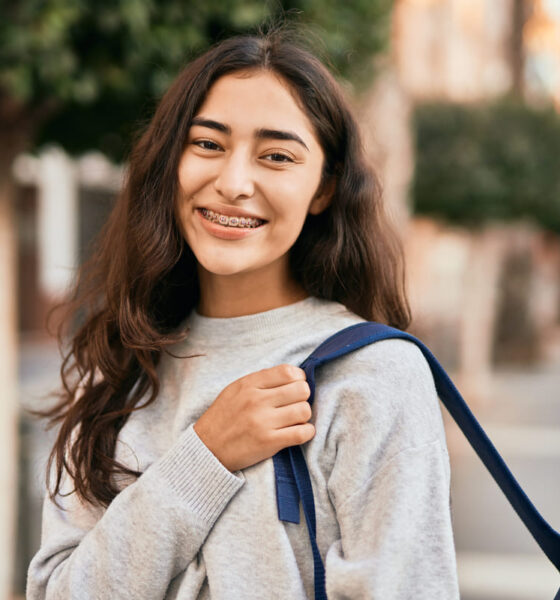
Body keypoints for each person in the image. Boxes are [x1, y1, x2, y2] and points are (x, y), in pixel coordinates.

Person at [27, 28, 460, 599]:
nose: (232, 183)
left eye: (276, 156)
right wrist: (205, 457)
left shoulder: (370, 377)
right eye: (207, 144)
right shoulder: (115, 368)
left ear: (323, 188)